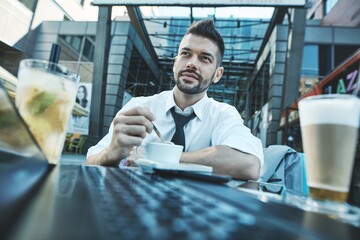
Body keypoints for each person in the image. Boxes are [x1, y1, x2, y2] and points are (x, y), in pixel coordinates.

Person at [86, 19, 263, 180]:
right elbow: (91, 162)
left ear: (218, 75)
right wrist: (112, 152)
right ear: (175, 63)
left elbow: (249, 164)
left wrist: (156, 158)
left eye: (205, 58)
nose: (192, 63)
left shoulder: (223, 115)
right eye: (186, 54)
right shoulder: (138, 107)